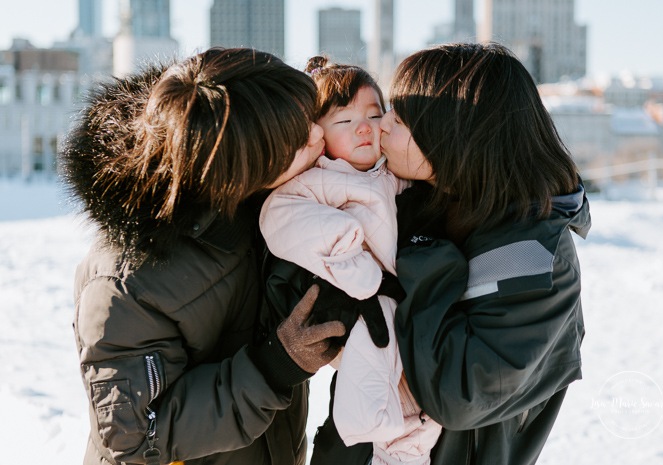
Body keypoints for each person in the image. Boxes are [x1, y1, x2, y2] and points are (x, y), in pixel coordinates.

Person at [60, 47, 348, 465]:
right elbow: (134, 438)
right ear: (246, 163)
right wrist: (273, 368)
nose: (319, 136)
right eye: (299, 137)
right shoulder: (126, 285)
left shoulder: (269, 205)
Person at [312, 42, 592, 464]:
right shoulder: (425, 200)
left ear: (456, 136)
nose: (381, 125)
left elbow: (457, 393)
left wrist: (425, 258)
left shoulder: (534, 256)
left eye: (401, 117)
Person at [259, 56, 441, 465]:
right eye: (344, 121)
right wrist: (348, 252)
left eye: (375, 115)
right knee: (368, 398)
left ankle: (405, 452)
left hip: (402, 311)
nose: (365, 127)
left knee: (419, 413)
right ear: (318, 135)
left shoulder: (395, 173)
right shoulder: (318, 179)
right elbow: (282, 217)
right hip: (362, 311)